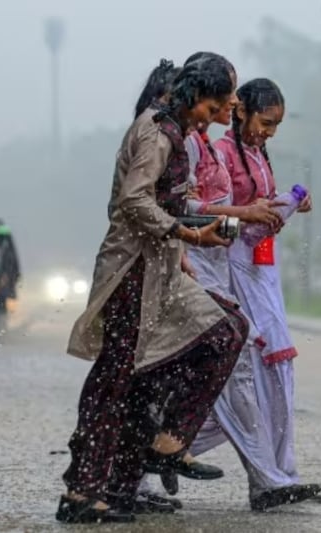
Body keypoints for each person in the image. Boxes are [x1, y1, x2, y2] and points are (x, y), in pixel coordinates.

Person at [57, 56, 248, 524]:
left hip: (161, 269)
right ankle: (85, 491)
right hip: (131, 273)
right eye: (214, 104)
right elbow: (132, 200)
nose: (216, 113)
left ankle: (163, 447)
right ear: (191, 96)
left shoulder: (177, 133)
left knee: (223, 331)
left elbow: (168, 201)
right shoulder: (157, 132)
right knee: (117, 378)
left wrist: (191, 235)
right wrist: (188, 236)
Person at [212, 78, 321, 510]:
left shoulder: (259, 154)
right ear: (239, 110)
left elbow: (259, 208)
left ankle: (281, 474)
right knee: (248, 375)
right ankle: (269, 477)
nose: (269, 132)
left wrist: (287, 203)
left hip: (264, 269)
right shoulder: (219, 155)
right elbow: (207, 214)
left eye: (276, 125)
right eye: (265, 122)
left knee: (276, 373)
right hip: (232, 268)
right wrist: (250, 215)